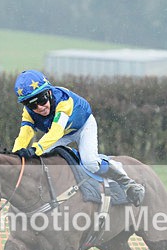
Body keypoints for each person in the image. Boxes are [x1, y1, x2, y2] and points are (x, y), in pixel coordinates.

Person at [11, 70, 145, 206]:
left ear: (49, 92)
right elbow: (24, 134)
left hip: (83, 126)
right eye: (32, 105)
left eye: (42, 100)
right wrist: (15, 154)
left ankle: (124, 180)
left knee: (90, 162)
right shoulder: (28, 113)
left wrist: (35, 149)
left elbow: (56, 132)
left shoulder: (63, 101)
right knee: (39, 159)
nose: (40, 107)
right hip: (64, 132)